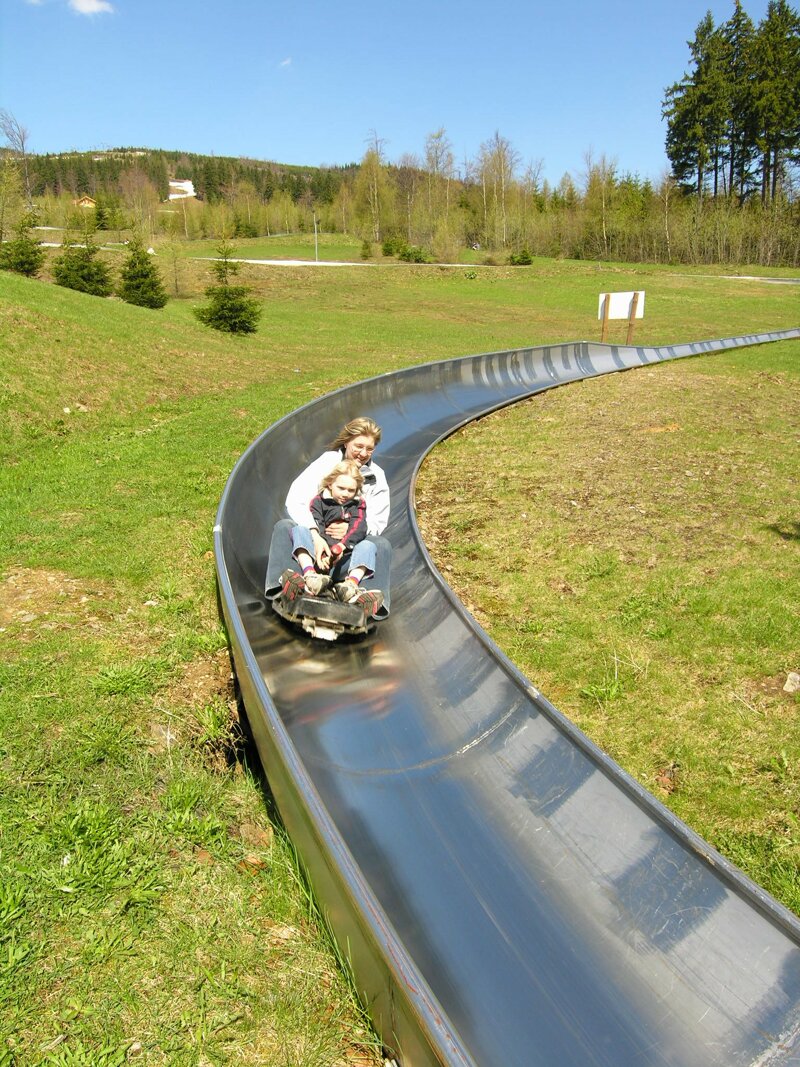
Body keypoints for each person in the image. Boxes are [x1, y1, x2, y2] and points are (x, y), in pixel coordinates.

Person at [265, 416, 391, 615]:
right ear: (346, 442)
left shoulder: (377, 476)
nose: (363, 453)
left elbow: (378, 520)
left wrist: (350, 532)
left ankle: (363, 601)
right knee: (285, 526)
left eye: (369, 449)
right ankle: (287, 586)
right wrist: (315, 535)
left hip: (348, 558)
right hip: (312, 553)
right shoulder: (327, 462)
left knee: (381, 544)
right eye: (358, 446)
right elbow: (296, 500)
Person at [290, 461, 375, 603]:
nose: (345, 494)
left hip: (343, 561)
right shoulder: (319, 502)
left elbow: (359, 528)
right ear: (330, 484)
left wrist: (342, 546)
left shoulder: (357, 505)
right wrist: (324, 554)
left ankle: (350, 586)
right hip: (318, 557)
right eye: (341, 488)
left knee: (368, 546)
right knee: (299, 530)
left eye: (351, 490)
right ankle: (310, 575)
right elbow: (318, 526)